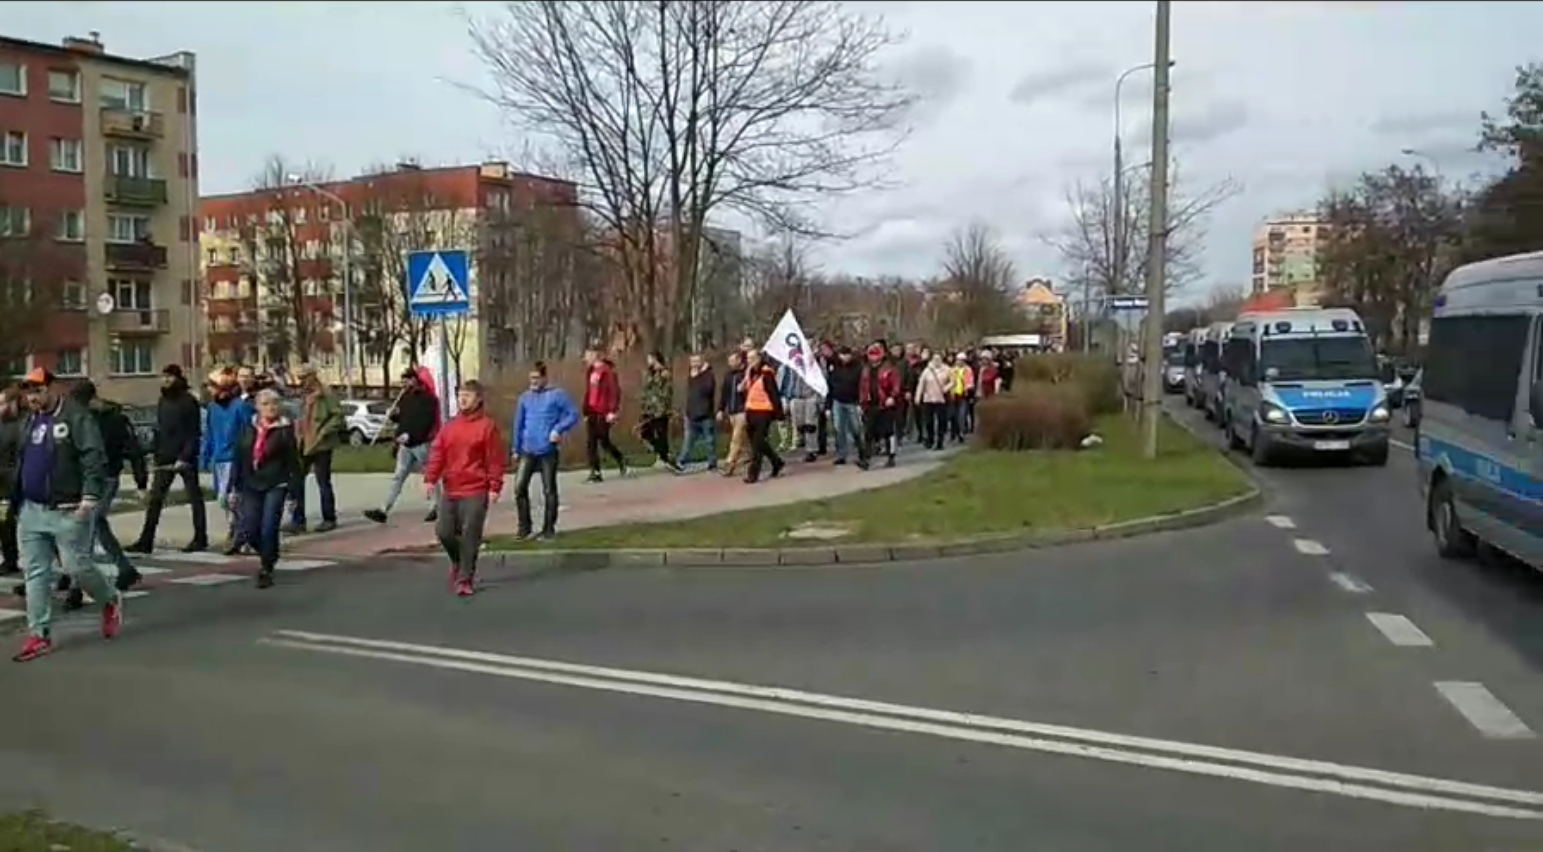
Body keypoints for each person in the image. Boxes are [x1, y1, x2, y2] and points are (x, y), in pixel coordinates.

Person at [11, 369, 121, 663]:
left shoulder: (75, 417)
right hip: (32, 510)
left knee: (76, 567)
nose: (32, 398)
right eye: (28, 392)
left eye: (37, 391)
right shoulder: (29, 421)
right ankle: (39, 634)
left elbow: (93, 456)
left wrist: (90, 496)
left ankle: (109, 599)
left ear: (52, 388)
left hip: (68, 509)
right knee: (35, 572)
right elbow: (22, 459)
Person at [424, 380, 506, 597]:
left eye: (467, 395)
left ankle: (465, 579)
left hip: (476, 490)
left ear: (478, 399)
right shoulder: (450, 427)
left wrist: (495, 485)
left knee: (470, 534)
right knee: (444, 532)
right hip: (452, 489)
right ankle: (459, 562)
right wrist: (431, 479)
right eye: (460, 395)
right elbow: (438, 452)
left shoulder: (487, 426)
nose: (462, 399)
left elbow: (494, 459)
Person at [72, 380, 149, 593]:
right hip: (89, 478)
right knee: (96, 524)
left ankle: (78, 581)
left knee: (90, 522)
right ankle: (124, 569)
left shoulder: (113, 420)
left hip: (106, 477)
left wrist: (141, 481)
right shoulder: (83, 418)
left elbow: (134, 450)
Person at [127, 364, 207, 554]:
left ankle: (200, 538)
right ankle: (146, 540)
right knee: (155, 500)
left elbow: (194, 433)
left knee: (194, 498)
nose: (166, 380)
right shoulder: (163, 401)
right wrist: (155, 452)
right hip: (164, 456)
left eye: (170, 376)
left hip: (185, 458)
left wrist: (185, 456)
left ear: (178, 378)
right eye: (163, 376)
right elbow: (161, 430)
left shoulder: (188, 401)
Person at [228, 389, 302, 589]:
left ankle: (266, 568)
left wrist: (294, 493)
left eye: (275, 403)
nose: (271, 407)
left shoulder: (284, 430)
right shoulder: (248, 428)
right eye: (266, 404)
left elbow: (293, 463)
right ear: (257, 407)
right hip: (250, 483)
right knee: (250, 529)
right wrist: (233, 487)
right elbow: (238, 458)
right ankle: (269, 553)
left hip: (276, 483)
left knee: (269, 526)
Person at [510, 361, 579, 541]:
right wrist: (515, 447)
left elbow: (573, 414)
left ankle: (548, 529)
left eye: (536, 378)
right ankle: (524, 528)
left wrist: (558, 429)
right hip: (528, 448)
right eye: (531, 378)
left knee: (549, 489)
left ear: (544, 378)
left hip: (547, 449)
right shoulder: (524, 398)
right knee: (519, 487)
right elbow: (518, 424)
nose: (533, 381)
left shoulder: (557, 395)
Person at [365, 367, 441, 525]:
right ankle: (383, 510)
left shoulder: (429, 399)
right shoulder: (405, 397)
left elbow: (426, 423)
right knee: (398, 476)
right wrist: (393, 416)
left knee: (430, 476)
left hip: (421, 445)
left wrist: (411, 435)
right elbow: (404, 419)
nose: (404, 385)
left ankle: (437, 506)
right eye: (402, 382)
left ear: (415, 380)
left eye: (406, 381)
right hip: (405, 446)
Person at [201, 370, 254, 555]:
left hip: (235, 459)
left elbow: (249, 432)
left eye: (212, 387)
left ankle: (240, 533)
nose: (210, 391)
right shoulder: (212, 408)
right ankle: (236, 529)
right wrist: (206, 456)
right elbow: (209, 433)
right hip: (219, 459)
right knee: (223, 499)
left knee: (234, 499)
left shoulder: (241, 407)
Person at [286, 364, 343, 534]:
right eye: (300, 378)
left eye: (304, 377)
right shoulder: (303, 396)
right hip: (303, 443)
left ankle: (329, 518)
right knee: (296, 481)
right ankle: (298, 520)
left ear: (313, 376)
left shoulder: (326, 394)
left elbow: (338, 416)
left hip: (321, 444)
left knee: (323, 481)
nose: (301, 381)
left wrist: (324, 431)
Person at [581, 348, 627, 483]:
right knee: (591, 442)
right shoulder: (590, 371)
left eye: (587, 356)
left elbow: (614, 391)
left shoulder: (607, 371)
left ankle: (619, 457)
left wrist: (612, 411)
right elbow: (589, 392)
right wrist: (585, 410)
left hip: (604, 411)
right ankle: (595, 471)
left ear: (595, 355)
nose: (585, 359)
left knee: (603, 440)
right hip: (592, 411)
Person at [740, 349, 784, 484]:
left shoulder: (766, 373)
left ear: (759, 359)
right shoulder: (750, 373)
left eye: (752, 358)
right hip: (751, 411)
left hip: (763, 412)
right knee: (758, 443)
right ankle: (776, 462)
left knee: (757, 445)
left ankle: (753, 474)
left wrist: (779, 413)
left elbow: (773, 393)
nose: (749, 361)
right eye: (748, 358)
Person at [638, 351, 681, 472]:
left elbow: (666, 393)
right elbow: (646, 390)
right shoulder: (649, 373)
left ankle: (667, 459)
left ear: (655, 359)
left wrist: (662, 407)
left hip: (660, 409)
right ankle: (664, 455)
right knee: (644, 433)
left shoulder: (664, 373)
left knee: (661, 435)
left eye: (649, 359)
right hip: (649, 410)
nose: (648, 361)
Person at [860, 343, 901, 469]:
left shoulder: (889, 369)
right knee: (868, 432)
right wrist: (862, 402)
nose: (873, 358)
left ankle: (891, 456)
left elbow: (896, 385)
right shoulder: (866, 369)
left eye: (875, 354)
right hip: (870, 405)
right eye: (871, 355)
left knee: (889, 432)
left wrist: (892, 397)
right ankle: (866, 459)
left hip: (886, 405)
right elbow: (862, 387)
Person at [825, 345, 865, 465]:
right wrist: (828, 406)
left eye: (847, 355)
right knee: (839, 428)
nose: (845, 357)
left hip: (853, 401)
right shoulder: (834, 368)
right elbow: (829, 388)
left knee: (856, 428)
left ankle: (862, 451)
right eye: (842, 355)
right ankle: (842, 454)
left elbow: (862, 386)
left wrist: (861, 403)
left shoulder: (858, 367)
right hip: (837, 401)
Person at [677, 353, 717, 471]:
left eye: (696, 362)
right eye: (692, 362)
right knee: (688, 441)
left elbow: (707, 390)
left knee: (709, 441)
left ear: (702, 362)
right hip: (691, 414)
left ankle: (712, 463)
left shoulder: (708, 375)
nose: (694, 364)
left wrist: (700, 376)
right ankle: (681, 461)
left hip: (705, 414)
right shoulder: (691, 376)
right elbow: (691, 395)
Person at [778, 360, 820, 463]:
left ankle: (811, 451)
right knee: (799, 424)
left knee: (810, 425)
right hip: (795, 397)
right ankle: (803, 440)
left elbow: (820, 381)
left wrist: (820, 400)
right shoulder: (790, 367)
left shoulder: (812, 366)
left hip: (810, 396)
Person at [0, 386, 22, 576]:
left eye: (2, 403)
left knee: (6, 522)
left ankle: (11, 559)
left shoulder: (20, 426)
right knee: (4, 524)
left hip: (10, 486)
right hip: (3, 485)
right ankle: (10, 559)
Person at [717, 350, 748, 477]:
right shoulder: (729, 376)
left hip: (743, 410)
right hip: (732, 411)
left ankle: (729, 463)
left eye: (732, 360)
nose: (730, 363)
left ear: (739, 360)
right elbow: (724, 393)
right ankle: (748, 459)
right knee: (743, 440)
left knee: (736, 438)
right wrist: (721, 409)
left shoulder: (746, 373)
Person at [913, 353, 952, 451]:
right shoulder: (927, 370)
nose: (937, 361)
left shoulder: (947, 369)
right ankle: (930, 439)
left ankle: (940, 441)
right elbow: (921, 384)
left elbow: (953, 381)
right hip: (928, 398)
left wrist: (946, 388)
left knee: (941, 421)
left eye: (939, 359)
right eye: (935, 359)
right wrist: (918, 397)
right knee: (928, 421)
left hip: (941, 399)